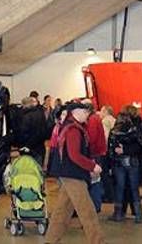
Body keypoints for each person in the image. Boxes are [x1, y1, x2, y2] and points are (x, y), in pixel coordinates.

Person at [45, 102, 106, 244]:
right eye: (85, 113)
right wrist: (92, 166)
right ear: (76, 112)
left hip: (67, 173)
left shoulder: (69, 127)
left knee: (63, 210)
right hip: (73, 175)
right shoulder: (74, 130)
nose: (87, 116)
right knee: (87, 211)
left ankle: (51, 240)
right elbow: (74, 155)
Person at [108, 111, 142, 223]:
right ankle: (138, 215)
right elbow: (141, 146)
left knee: (120, 188)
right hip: (133, 162)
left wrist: (111, 164)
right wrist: (127, 150)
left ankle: (118, 214)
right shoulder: (134, 131)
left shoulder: (113, 132)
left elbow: (110, 150)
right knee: (134, 188)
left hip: (119, 163)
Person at [84, 102, 107, 213]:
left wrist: (88, 152)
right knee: (96, 180)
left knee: (95, 181)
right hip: (98, 152)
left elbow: (91, 138)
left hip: (94, 154)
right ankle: (96, 204)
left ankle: (95, 206)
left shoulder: (92, 120)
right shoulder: (96, 118)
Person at [18, 96, 49, 166]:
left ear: (25, 105)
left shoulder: (26, 116)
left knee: (28, 169)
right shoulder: (40, 113)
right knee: (38, 169)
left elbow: (24, 133)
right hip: (40, 147)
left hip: (28, 148)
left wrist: (25, 145)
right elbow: (44, 130)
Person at [98, 106, 116, 204]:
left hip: (105, 151)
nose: (100, 113)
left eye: (101, 111)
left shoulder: (105, 121)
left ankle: (108, 195)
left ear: (105, 111)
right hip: (112, 151)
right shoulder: (114, 120)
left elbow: (105, 137)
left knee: (104, 173)